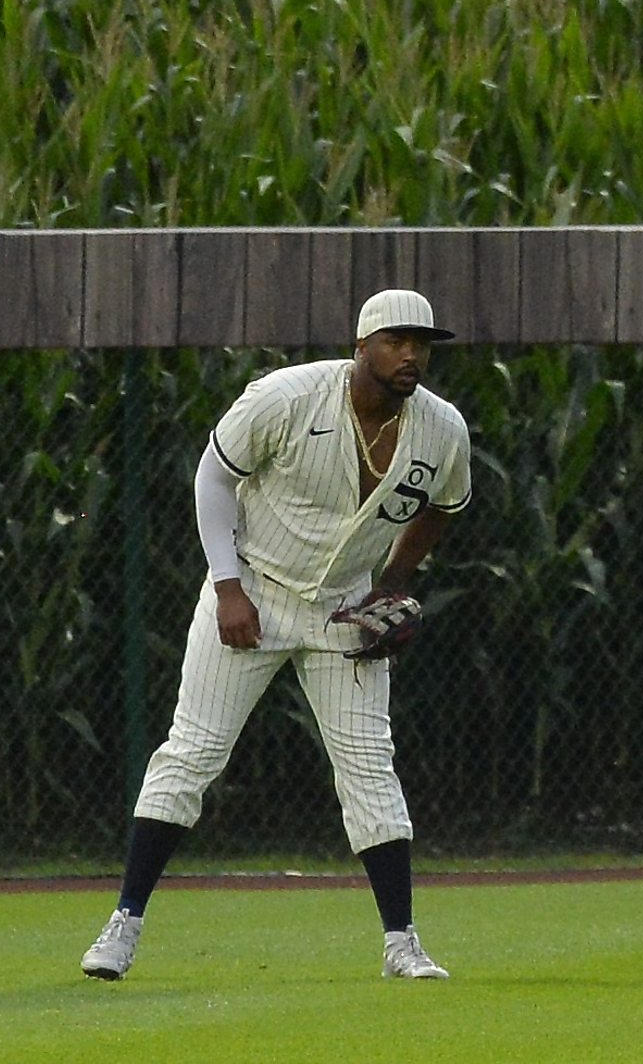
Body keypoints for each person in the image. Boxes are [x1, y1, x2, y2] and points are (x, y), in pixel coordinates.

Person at [81, 289, 471, 982]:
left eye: (422, 343)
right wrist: (226, 585)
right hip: (253, 589)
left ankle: (402, 943)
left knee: (368, 765)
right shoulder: (288, 396)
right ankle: (124, 924)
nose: (411, 354)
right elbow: (214, 476)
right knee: (193, 753)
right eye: (396, 340)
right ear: (362, 347)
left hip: (344, 610)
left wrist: (395, 582)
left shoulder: (441, 428)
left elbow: (443, 507)